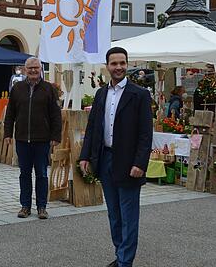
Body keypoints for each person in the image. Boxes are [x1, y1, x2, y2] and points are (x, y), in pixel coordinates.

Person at [78, 47, 152, 267]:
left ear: (126, 65)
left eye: (122, 63)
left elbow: (146, 134)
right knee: (114, 215)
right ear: (107, 66)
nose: (118, 67)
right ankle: (120, 253)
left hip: (129, 163)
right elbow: (93, 128)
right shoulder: (101, 93)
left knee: (129, 217)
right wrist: (85, 156)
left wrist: (140, 163)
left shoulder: (139, 95)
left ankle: (125, 262)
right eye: (114, 63)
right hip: (105, 160)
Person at [3, 56, 62, 220]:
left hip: (42, 140)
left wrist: (56, 136)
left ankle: (42, 207)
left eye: (36, 68)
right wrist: (8, 134)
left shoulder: (49, 89)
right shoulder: (17, 88)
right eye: (30, 68)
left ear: (40, 69)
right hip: (22, 139)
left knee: (42, 174)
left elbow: (56, 115)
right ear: (24, 70)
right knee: (24, 174)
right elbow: (10, 114)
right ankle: (25, 206)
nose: (33, 71)